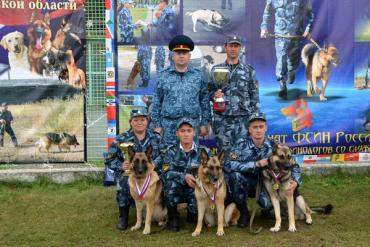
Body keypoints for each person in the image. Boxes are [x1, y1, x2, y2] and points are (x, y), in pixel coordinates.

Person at [224, 112, 302, 228]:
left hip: (267, 184)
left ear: (266, 128)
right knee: (234, 176)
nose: (258, 130)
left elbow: (293, 165)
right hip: (246, 182)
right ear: (249, 129)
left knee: (267, 204)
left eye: (261, 127)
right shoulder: (241, 144)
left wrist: (295, 182)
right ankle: (244, 212)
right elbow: (228, 165)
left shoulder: (274, 146)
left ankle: (267, 211)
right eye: (255, 127)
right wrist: (255, 164)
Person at [104, 109, 163, 230]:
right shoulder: (121, 138)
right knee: (124, 182)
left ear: (147, 121)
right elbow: (109, 158)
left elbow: (164, 155)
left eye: (143, 119)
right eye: (136, 120)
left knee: (166, 179)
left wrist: (155, 164)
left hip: (150, 173)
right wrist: (121, 166)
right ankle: (123, 215)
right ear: (131, 122)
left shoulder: (156, 137)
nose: (139, 122)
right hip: (130, 174)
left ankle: (166, 213)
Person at [151, 34, 211, 145]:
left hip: (191, 126)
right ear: (173, 56)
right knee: (169, 158)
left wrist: (204, 123)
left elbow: (204, 101)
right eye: (178, 53)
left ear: (189, 56)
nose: (181, 56)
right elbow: (156, 102)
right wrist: (158, 125)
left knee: (191, 158)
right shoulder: (163, 76)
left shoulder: (198, 76)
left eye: (184, 53)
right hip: (169, 126)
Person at [210, 35, 260, 155]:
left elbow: (255, 97)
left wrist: (255, 120)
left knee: (244, 154)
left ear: (240, 48)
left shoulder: (249, 70)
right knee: (224, 155)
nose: (233, 49)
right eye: (230, 46)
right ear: (225, 47)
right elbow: (208, 92)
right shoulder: (216, 70)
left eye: (236, 46)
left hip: (243, 120)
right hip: (223, 120)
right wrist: (213, 95)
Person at [161, 118, 209, 231]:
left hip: (195, 188)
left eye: (189, 130)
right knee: (169, 184)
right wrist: (184, 176)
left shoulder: (204, 151)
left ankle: (193, 213)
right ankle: (173, 217)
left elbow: (210, 171)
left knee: (192, 219)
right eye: (182, 131)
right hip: (177, 188)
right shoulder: (170, 151)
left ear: (194, 132)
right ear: (177, 133)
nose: (186, 134)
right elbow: (165, 172)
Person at [260, 0, 314, 100]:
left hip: (296, 36)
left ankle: (291, 71)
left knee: (293, 62)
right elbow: (266, 13)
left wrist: (308, 30)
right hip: (281, 36)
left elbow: (310, 15)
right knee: (281, 60)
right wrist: (264, 28)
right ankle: (282, 86)